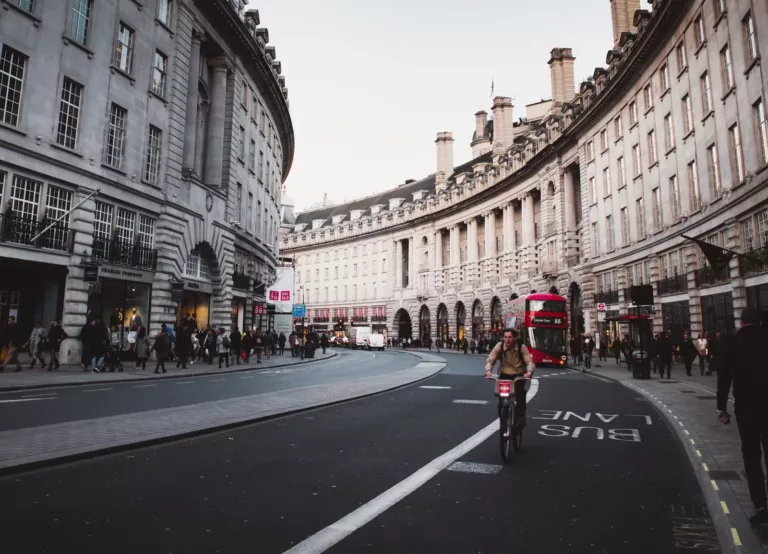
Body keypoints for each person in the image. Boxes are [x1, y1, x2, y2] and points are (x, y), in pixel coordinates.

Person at [716, 309, 768, 527]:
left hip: (747, 408)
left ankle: (761, 507)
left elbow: (724, 376)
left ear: (742, 322)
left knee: (752, 457)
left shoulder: (735, 342)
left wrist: (721, 408)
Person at [483, 328, 535, 428]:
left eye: (510, 337)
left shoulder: (522, 347)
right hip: (504, 374)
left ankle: (520, 416)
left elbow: (529, 362)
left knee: (520, 395)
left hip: (519, 374)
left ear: (515, 338)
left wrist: (528, 372)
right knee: (502, 396)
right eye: (505, 337)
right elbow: (491, 360)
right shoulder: (500, 346)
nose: (507, 340)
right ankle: (502, 412)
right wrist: (488, 371)